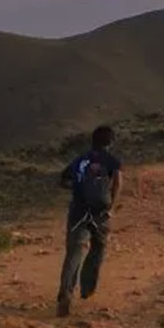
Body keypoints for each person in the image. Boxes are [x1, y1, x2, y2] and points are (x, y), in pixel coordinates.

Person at [57, 124, 122, 317]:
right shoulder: (111, 161)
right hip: (100, 213)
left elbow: (63, 181)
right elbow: (117, 184)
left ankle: (66, 294)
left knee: (74, 252)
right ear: (110, 142)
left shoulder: (81, 159)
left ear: (92, 141)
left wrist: (79, 188)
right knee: (98, 247)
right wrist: (111, 207)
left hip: (79, 211)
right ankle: (87, 287)